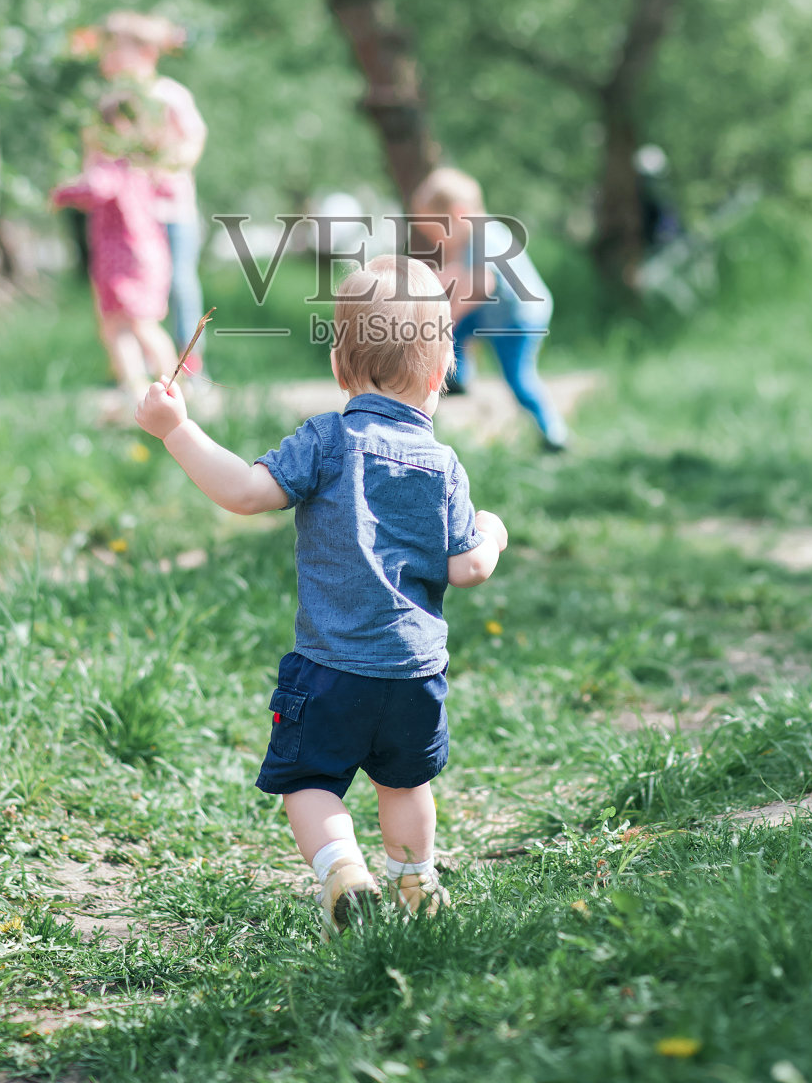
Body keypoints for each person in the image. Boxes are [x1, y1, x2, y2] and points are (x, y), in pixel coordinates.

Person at [134, 254, 509, 939]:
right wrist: (492, 531)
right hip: (412, 673)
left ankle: (342, 873)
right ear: (439, 374)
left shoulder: (326, 440)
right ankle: (415, 883)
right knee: (405, 785)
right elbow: (468, 570)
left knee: (309, 784)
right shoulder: (443, 466)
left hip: (330, 668)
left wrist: (176, 430)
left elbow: (245, 493)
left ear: (340, 368)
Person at [410, 167, 569, 452]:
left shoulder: (486, 236)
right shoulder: (472, 235)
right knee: (456, 326)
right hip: (496, 315)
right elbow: (460, 272)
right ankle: (456, 376)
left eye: (435, 231)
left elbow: (481, 285)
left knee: (519, 379)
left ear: (457, 214)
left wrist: (448, 317)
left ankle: (555, 433)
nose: (435, 240)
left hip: (518, 319)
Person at [94, 12, 207, 368]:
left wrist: (167, 164)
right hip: (130, 218)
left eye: (113, 50)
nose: (106, 59)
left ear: (145, 53)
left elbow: (193, 139)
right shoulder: (112, 102)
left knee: (179, 283)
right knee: (136, 292)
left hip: (169, 211)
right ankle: (143, 367)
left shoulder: (168, 95)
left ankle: (189, 364)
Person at [53, 91, 177, 404]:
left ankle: (150, 387)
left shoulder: (110, 167)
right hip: (148, 254)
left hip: (123, 259)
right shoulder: (142, 165)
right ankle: (167, 386)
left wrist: (61, 194)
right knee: (138, 324)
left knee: (125, 326)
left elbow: (94, 188)